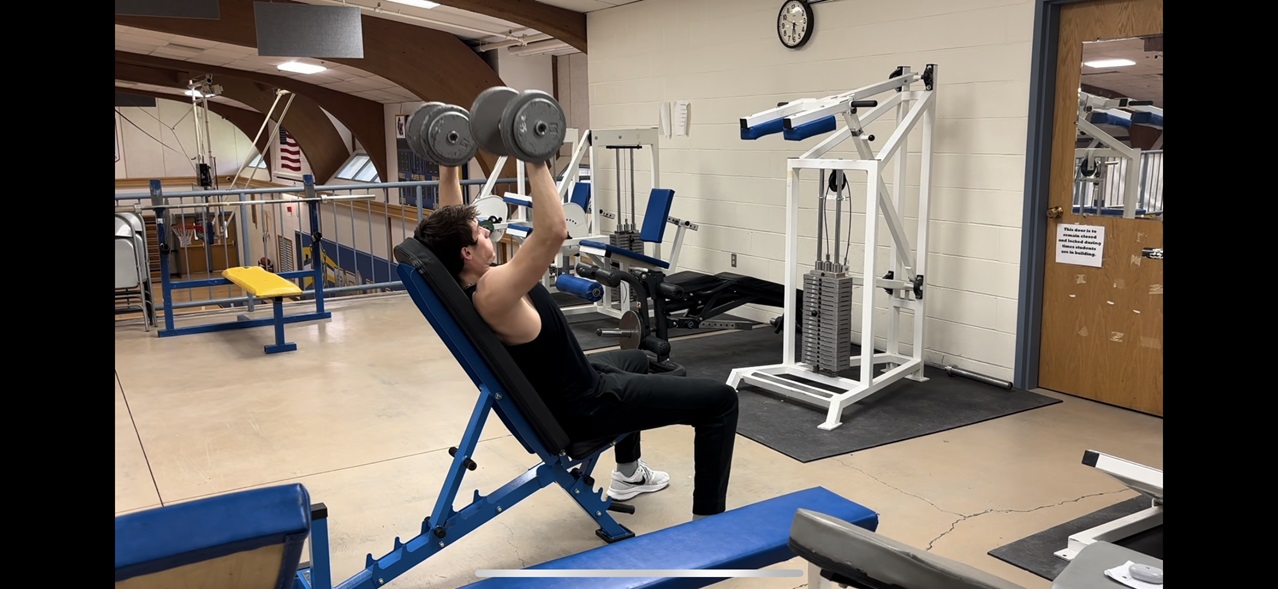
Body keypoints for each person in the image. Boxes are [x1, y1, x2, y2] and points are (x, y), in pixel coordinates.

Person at [415, 159, 740, 518]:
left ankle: (629, 475)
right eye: (479, 231)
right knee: (721, 402)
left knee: (638, 360)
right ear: (466, 252)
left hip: (577, 380)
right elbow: (554, 231)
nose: (488, 231)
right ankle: (708, 523)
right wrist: (535, 159)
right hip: (589, 404)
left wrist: (448, 167)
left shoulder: (469, 282)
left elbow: (450, 222)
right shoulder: (494, 291)